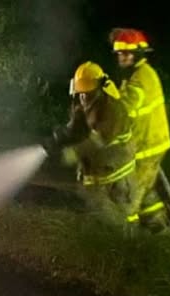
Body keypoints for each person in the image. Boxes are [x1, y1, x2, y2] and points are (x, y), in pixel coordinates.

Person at [44, 61, 137, 224]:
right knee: (99, 214)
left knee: (121, 218)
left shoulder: (112, 108)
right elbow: (75, 128)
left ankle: (128, 235)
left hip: (118, 176)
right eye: (80, 92)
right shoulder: (85, 103)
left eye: (86, 92)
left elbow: (99, 140)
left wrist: (71, 153)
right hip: (100, 173)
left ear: (99, 89)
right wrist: (57, 139)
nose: (82, 96)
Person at [109, 28, 170, 230]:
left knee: (127, 195)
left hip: (147, 147)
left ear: (138, 54)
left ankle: (126, 237)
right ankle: (160, 232)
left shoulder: (141, 78)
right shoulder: (135, 74)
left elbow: (125, 109)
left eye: (126, 53)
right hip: (149, 144)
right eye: (119, 53)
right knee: (144, 191)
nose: (122, 57)